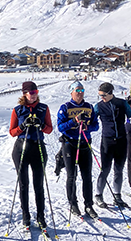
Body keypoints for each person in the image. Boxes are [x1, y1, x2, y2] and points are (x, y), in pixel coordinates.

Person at [8, 81, 53, 228]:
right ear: (24, 94)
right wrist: (22, 126)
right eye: (31, 93)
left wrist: (41, 124)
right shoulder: (18, 110)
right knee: (23, 184)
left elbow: (49, 130)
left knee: (38, 184)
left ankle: (41, 216)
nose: (34, 95)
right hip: (21, 148)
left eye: (36, 92)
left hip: (37, 147)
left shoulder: (43, 108)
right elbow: (12, 132)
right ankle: (25, 215)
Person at [57, 81, 100, 219]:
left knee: (87, 176)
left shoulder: (89, 107)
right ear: (71, 92)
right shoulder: (65, 107)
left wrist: (88, 127)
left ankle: (88, 204)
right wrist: (74, 121)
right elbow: (60, 127)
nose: (80, 93)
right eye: (77, 91)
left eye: (82, 91)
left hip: (85, 144)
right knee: (72, 176)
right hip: (70, 143)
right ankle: (73, 203)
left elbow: (96, 125)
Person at [93, 82, 131, 209]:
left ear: (110, 93)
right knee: (105, 169)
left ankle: (117, 195)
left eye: (103, 95)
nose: (102, 97)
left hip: (121, 140)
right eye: (100, 95)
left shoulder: (121, 103)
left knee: (119, 170)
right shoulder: (99, 106)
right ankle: (98, 195)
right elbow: (91, 118)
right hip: (107, 141)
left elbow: (130, 116)